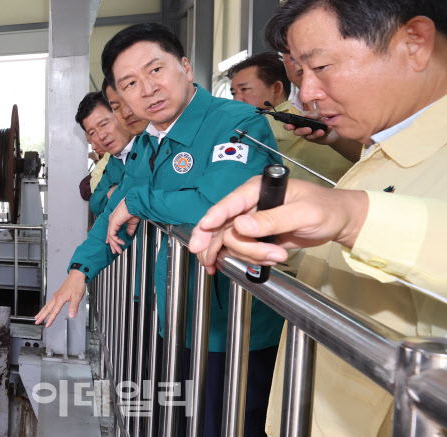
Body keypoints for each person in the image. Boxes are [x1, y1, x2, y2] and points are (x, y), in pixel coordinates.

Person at [190, 0, 447, 435]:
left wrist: (351, 216)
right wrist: (280, 241)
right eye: (300, 75)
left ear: (414, 43)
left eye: (321, 67)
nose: (306, 94)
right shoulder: (378, 149)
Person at [37, 22, 284, 437]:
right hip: (181, 316)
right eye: (130, 83)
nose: (147, 89)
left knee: (234, 424)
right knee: (190, 420)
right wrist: (80, 270)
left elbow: (214, 205)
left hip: (236, 325)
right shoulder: (151, 141)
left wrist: (138, 201)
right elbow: (117, 211)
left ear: (185, 67)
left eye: (155, 70)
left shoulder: (237, 123)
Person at [228, 52, 353, 187]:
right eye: (234, 93)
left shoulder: (354, 113)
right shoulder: (256, 126)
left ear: (277, 88)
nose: (237, 99)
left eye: (245, 89)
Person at [74, 91, 133, 210]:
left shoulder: (149, 148)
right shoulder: (114, 160)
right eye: (92, 133)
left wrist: (114, 193)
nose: (101, 136)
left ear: (121, 113)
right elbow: (95, 202)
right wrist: (110, 193)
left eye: (104, 124)